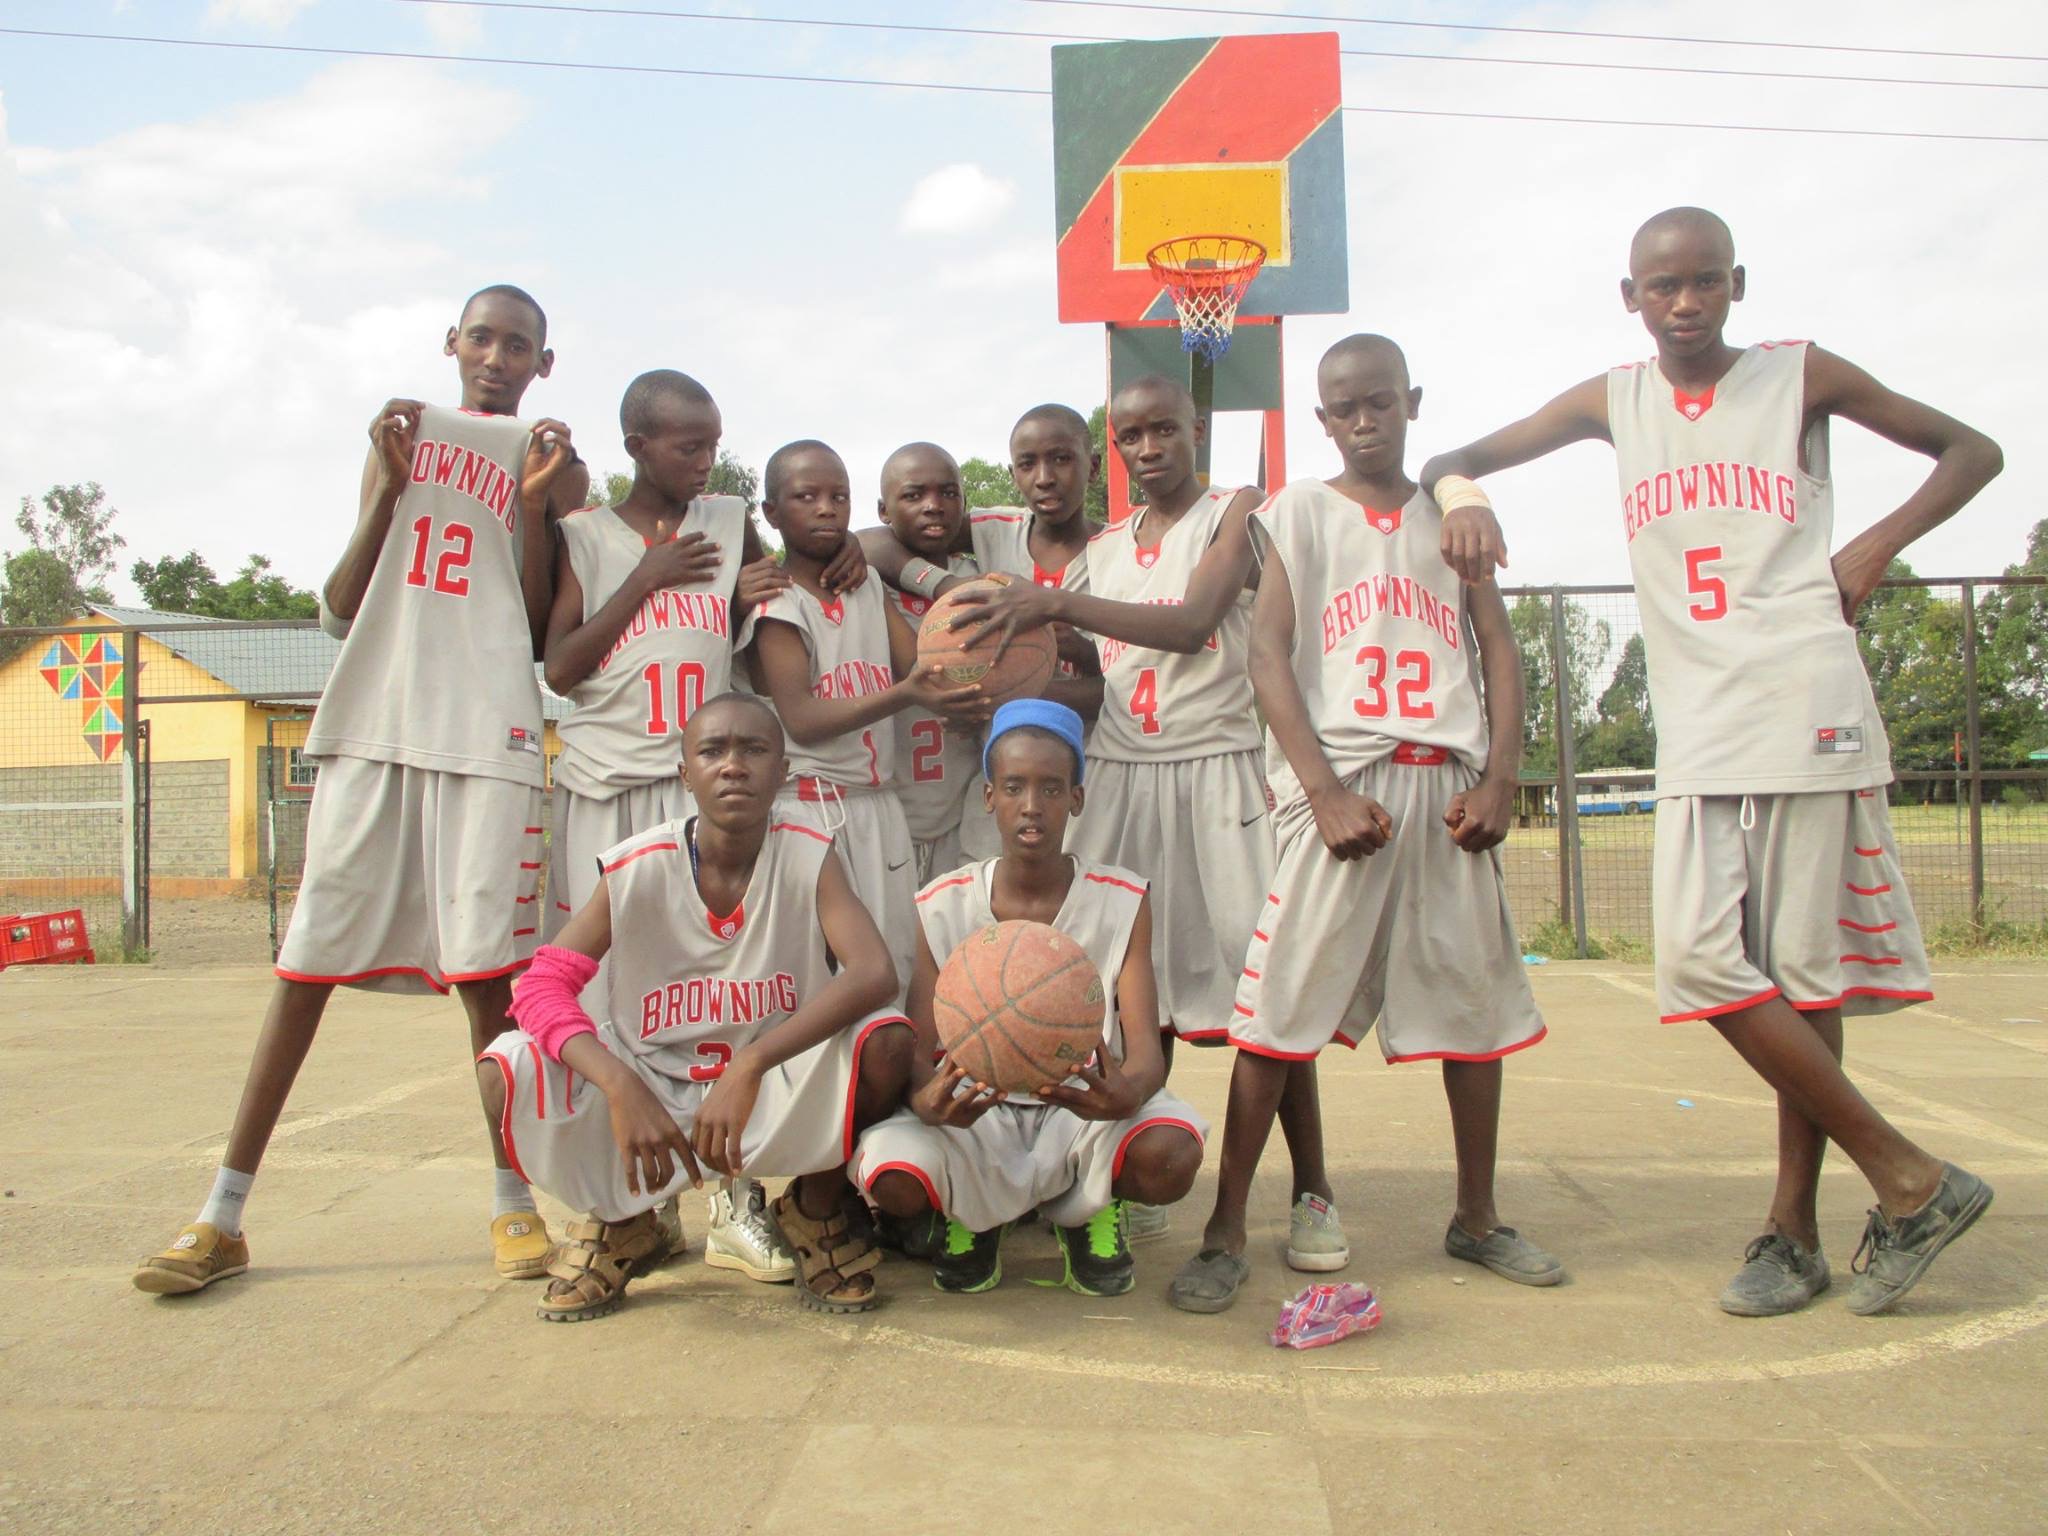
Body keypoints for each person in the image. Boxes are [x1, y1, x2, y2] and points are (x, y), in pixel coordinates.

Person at [1421, 207, 2003, 1317]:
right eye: (1659, 286)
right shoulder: (1614, 399)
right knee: (1700, 963)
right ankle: (1907, 1177)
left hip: (1800, 699)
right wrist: (1463, 502)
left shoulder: (1798, 376)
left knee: (1792, 976)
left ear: (1735, 284)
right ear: (1628, 296)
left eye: (1700, 283)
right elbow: (1455, 456)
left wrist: (1874, 543)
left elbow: (1972, 449)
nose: (1681, 302)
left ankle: (1795, 1232)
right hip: (1698, 718)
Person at [135, 285, 590, 1296]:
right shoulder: (398, 442)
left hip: (486, 736)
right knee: (303, 969)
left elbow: (527, 622)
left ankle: (511, 1201)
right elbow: (342, 605)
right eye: (482, 339)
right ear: (451, 345)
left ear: (542, 366)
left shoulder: (548, 466)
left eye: (519, 346)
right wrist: (387, 490)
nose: (497, 358)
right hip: (375, 726)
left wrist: (532, 503)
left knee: (485, 983)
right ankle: (222, 1212)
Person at [1171, 334, 1559, 1315]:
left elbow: (1497, 647)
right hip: (1344, 784)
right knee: (1276, 1012)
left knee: (1471, 1013)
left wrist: (1503, 778)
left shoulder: (1450, 516)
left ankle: (1475, 1216)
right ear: (1319, 419)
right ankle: (1225, 1230)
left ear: (1410, 401)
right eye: (1341, 408)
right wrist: (1319, 790)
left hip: (1447, 782)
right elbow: (1266, 656)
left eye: (1378, 402)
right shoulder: (1296, 512)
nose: (1361, 420)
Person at [945, 374, 1332, 1255]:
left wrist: (1052, 599)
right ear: (1113, 448)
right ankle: (1126, 1167)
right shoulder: (1108, 546)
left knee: (1262, 998)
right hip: (1123, 773)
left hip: (1220, 777)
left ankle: (1312, 1190)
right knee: (1122, 991)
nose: (1148, 448)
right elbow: (1079, 656)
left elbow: (1194, 622)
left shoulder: (1240, 511)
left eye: (1163, 430)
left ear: (1197, 428)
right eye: (1130, 436)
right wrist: (991, 680)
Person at [542, 369, 858, 1286]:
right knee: (616, 1008)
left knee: (729, 991)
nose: (705, 459)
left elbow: (774, 583)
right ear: (636, 445)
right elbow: (561, 665)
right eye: (687, 444)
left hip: (703, 787)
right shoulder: (585, 536)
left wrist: (843, 561)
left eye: (714, 443)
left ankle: (736, 1198)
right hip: (612, 787)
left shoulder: (724, 521)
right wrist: (644, 578)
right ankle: (625, 1215)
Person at [482, 693, 913, 1319]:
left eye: (754, 750)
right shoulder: (638, 864)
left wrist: (751, 1063)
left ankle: (812, 1211)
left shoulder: (809, 852)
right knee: (505, 1067)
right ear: (686, 774)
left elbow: (873, 971)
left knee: (887, 1041)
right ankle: (623, 1220)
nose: (732, 766)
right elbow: (539, 986)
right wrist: (619, 1083)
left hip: (766, 1087)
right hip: (654, 1084)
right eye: (712, 750)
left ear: (784, 771)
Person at [856, 699, 1204, 1296]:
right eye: (1014, 786)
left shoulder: (1121, 898)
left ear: (1077, 798)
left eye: (1051, 787)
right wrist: (926, 1099)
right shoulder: (943, 901)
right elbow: (919, 1043)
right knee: (892, 1179)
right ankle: (972, 1217)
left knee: (1170, 1156)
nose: (1032, 806)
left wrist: (1127, 1094)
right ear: (988, 796)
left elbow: (1145, 1049)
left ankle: (1089, 1211)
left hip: (1081, 1106)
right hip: (978, 1110)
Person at [742, 440, 981, 990]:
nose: (826, 508)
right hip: (808, 808)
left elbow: (921, 662)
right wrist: (908, 693)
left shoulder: (867, 583)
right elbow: (800, 718)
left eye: (838, 497)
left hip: (877, 807)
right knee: (814, 977)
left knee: (893, 969)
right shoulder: (776, 600)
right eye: (807, 496)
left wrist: (974, 681)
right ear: (773, 513)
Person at [853, 442, 990, 883]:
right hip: (885, 811)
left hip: (963, 807)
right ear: (883, 509)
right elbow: (862, 544)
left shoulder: (982, 582)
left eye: (949, 493)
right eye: (914, 495)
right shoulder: (860, 583)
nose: (934, 506)